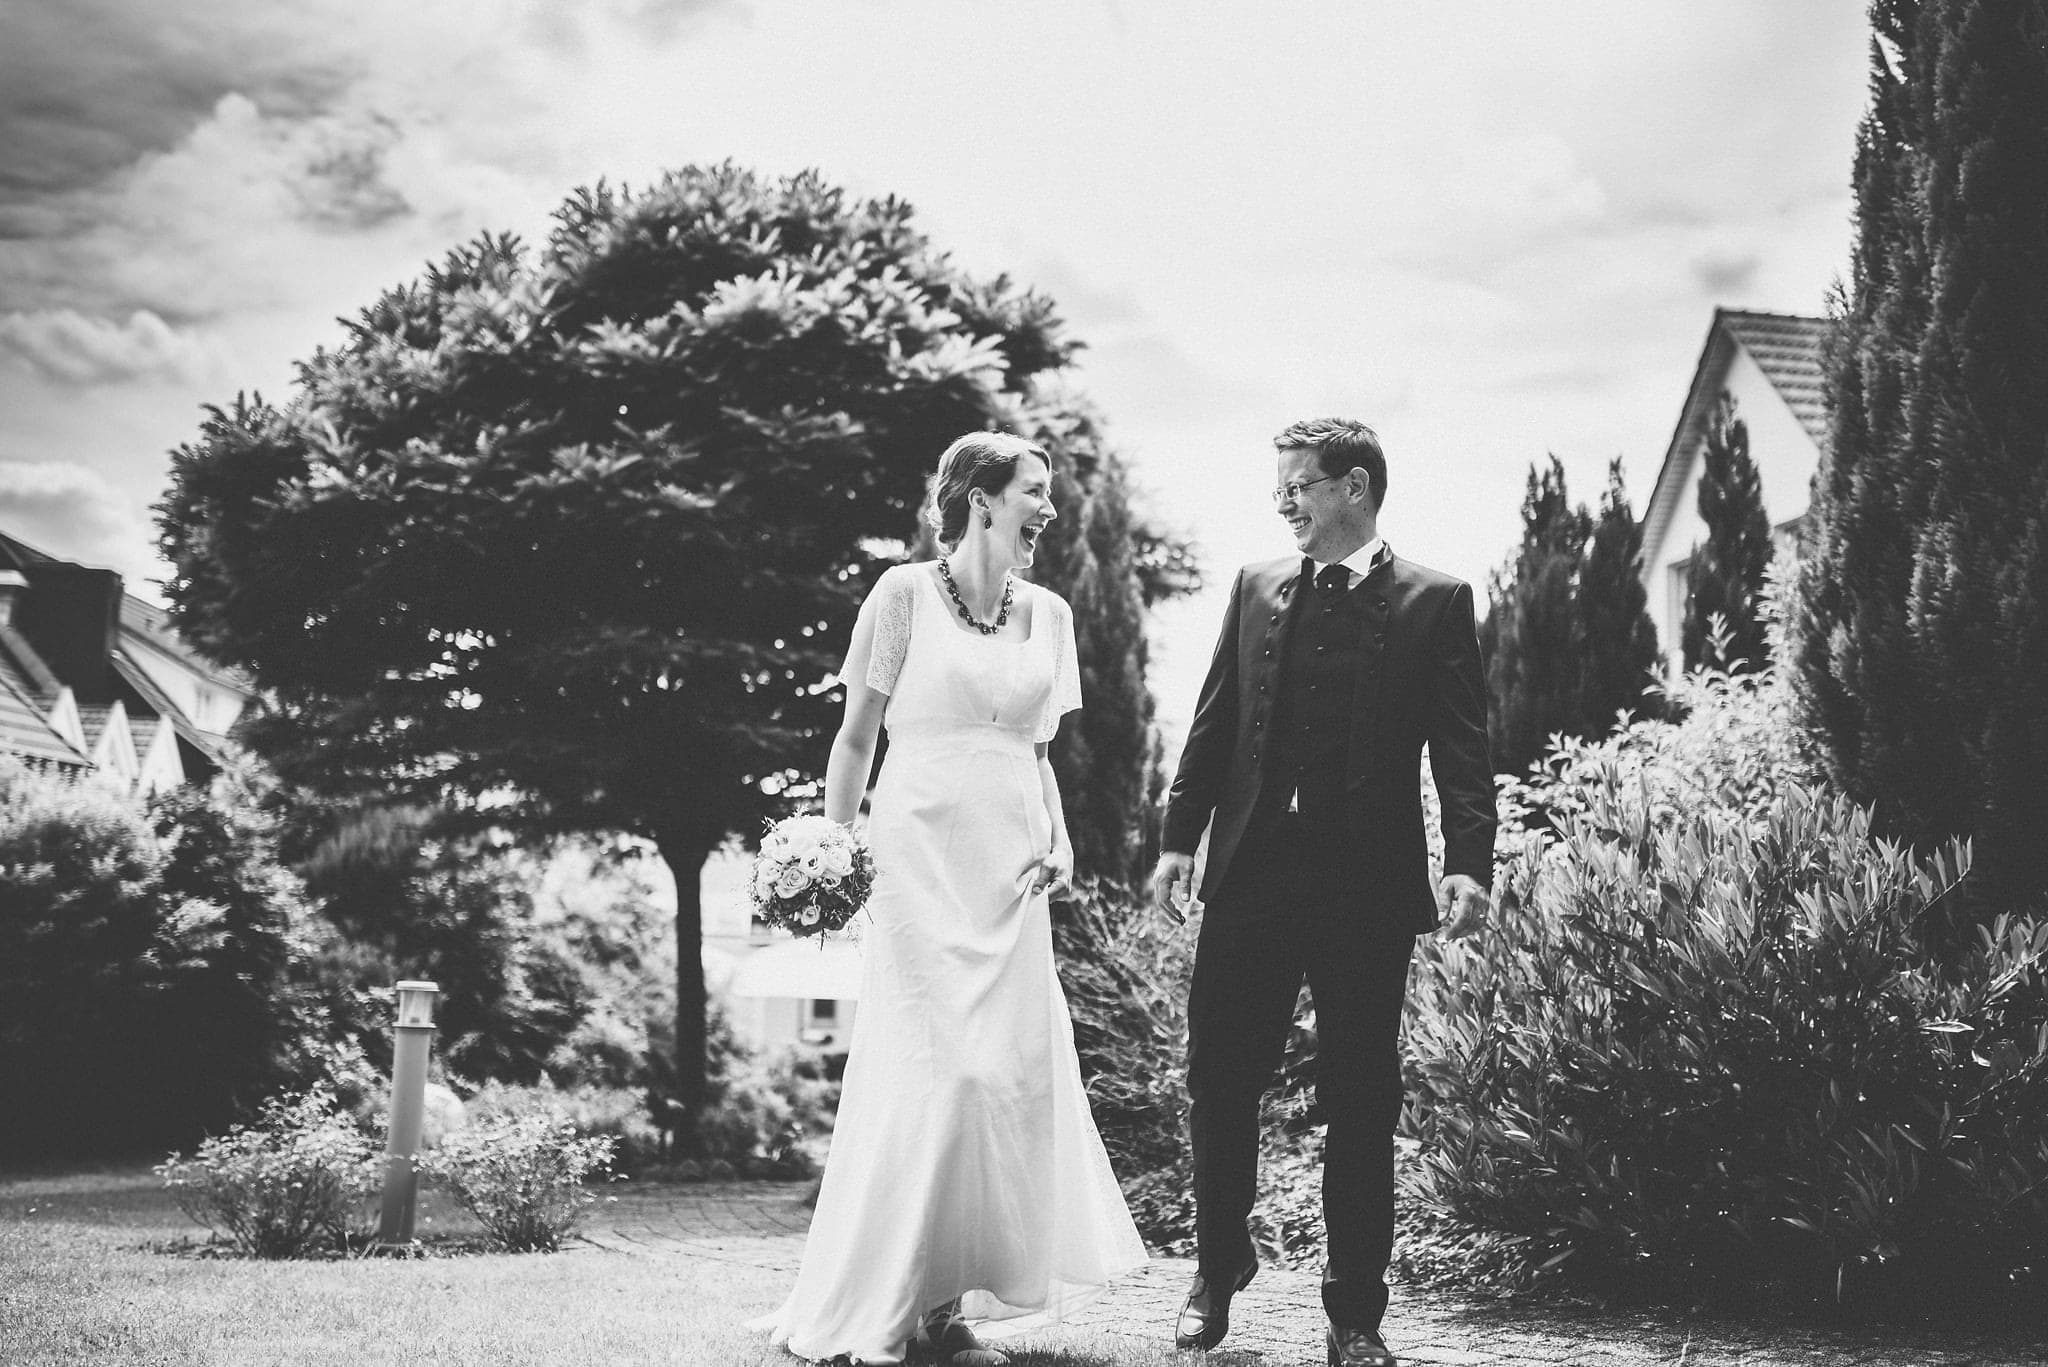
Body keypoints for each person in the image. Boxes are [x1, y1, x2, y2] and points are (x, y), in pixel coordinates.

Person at [755, 431, 1148, 1367]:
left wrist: (1059, 841)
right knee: (938, 1074)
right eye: (1034, 491)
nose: (1049, 509)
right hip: (916, 862)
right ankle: (901, 1301)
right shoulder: (899, 596)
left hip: (1010, 875)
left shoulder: (1048, 615)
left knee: (1003, 1081)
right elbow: (855, 741)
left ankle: (946, 1305)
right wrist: (833, 848)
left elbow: (1041, 754)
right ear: (980, 498)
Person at [1149, 418, 1496, 1367]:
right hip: (1253, 875)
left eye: (1299, 485)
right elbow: (1213, 719)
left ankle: (1356, 1314)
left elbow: (1464, 746)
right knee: (1220, 1074)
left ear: (1353, 487)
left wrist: (1469, 857)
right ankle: (1217, 1266)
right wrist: (1180, 841)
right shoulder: (1259, 585)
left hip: (1366, 887)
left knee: (1361, 1095)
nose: (1283, 502)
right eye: (1280, 489)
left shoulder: (1437, 599)